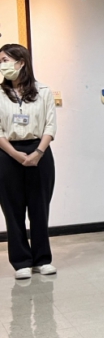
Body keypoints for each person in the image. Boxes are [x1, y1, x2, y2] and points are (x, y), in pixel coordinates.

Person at [0, 44, 57, 280]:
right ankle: (21, 260)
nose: (2, 65)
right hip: (7, 154)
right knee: (12, 211)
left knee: (39, 208)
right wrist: (15, 154)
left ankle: (42, 259)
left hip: (40, 153)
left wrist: (38, 152)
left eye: (5, 60)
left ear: (21, 62)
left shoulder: (43, 91)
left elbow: (50, 126)